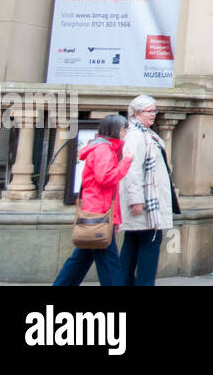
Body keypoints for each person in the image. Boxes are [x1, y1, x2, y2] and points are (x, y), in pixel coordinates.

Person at [53, 114, 133, 286]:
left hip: (96, 211)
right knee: (110, 262)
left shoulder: (104, 148)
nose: (126, 132)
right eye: (123, 129)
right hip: (99, 213)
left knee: (81, 259)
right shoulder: (104, 150)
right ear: (115, 130)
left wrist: (116, 219)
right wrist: (126, 162)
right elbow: (106, 179)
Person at [119, 95, 175, 285]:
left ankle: (123, 283)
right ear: (136, 114)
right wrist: (136, 199)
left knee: (132, 244)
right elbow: (132, 168)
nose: (153, 114)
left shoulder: (145, 133)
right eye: (149, 111)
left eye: (154, 111)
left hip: (145, 201)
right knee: (149, 245)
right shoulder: (136, 135)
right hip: (145, 205)